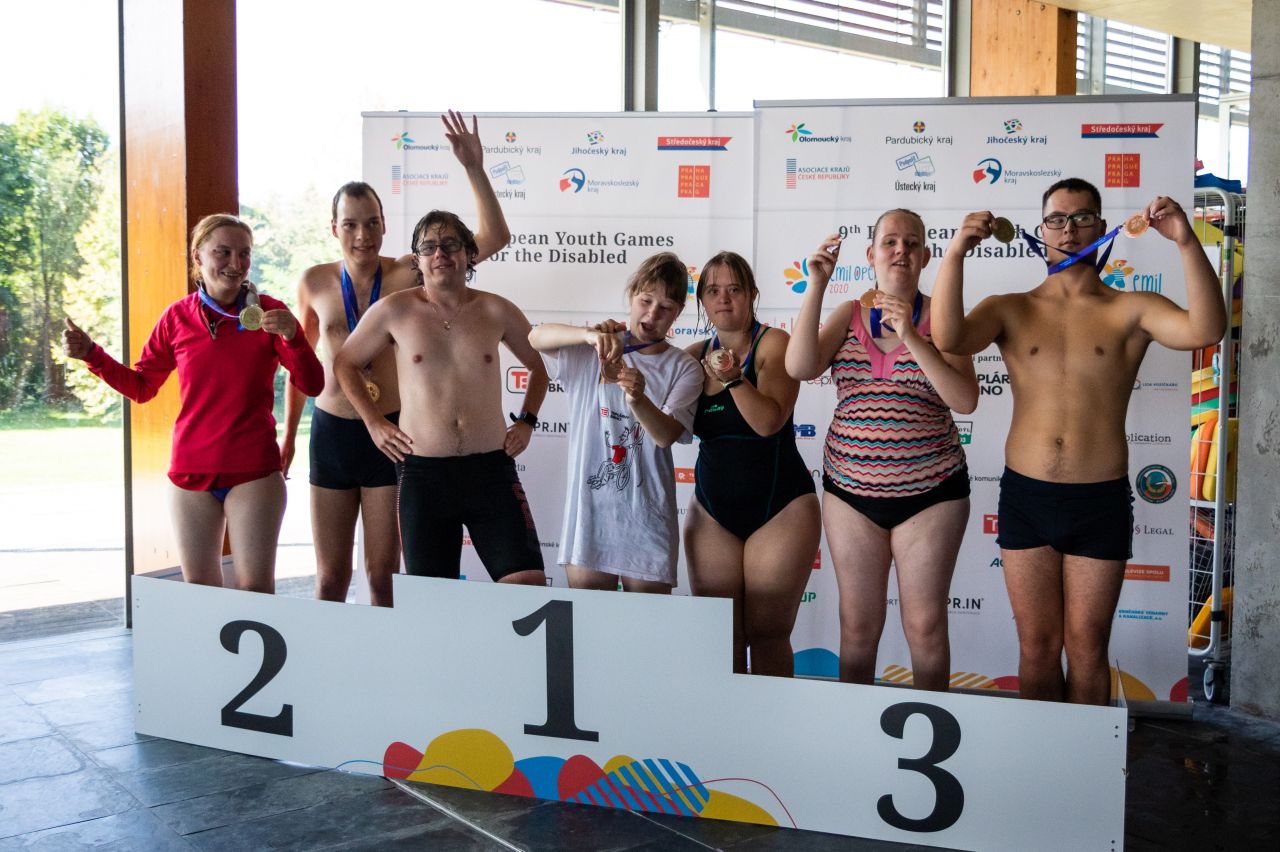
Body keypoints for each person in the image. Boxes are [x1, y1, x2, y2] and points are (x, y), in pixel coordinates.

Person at [931, 179, 1226, 705]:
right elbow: (949, 337)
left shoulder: (1131, 309)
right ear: (1040, 231)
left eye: (1082, 217)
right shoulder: (1010, 308)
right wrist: (955, 253)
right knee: (1037, 648)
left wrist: (1185, 240)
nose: (1069, 230)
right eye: (1057, 219)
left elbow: (1206, 329)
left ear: (1102, 226)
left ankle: (1083, 757)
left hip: (1099, 500)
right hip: (1026, 499)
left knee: (1088, 649)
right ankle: (1046, 753)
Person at [283, 112, 510, 607]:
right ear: (334, 228)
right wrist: (288, 438)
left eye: (371, 223)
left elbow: (493, 237)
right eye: (350, 224)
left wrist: (474, 168)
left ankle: (384, 655)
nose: (362, 235)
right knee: (330, 578)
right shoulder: (314, 282)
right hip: (333, 431)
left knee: (382, 573)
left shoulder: (410, 271)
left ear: (385, 225)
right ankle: (328, 654)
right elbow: (303, 367)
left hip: (392, 434)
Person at [61, 214, 324, 592]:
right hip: (190, 471)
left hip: (253, 469)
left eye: (244, 253)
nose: (235, 263)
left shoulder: (269, 313)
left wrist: (294, 336)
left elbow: (312, 384)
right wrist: (92, 354)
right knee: (199, 590)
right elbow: (142, 387)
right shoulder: (176, 318)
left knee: (254, 589)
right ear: (198, 256)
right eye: (223, 252)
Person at [786, 211, 979, 691]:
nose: (901, 250)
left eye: (912, 243)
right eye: (890, 242)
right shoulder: (848, 314)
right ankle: (855, 731)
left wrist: (911, 333)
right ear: (870, 255)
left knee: (926, 626)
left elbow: (964, 400)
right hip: (850, 495)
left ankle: (934, 721)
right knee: (857, 626)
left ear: (926, 257)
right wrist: (816, 285)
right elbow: (800, 366)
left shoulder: (943, 318)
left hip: (932, 495)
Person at [333, 210, 547, 586]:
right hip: (423, 476)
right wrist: (374, 422)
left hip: (491, 472)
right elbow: (345, 363)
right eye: (429, 247)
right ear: (417, 259)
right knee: (433, 599)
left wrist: (527, 422)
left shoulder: (496, 308)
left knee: (526, 584)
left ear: (469, 253)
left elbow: (539, 366)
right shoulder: (394, 310)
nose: (440, 254)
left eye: (450, 244)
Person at [528, 253, 703, 594]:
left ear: (678, 312)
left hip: (648, 520)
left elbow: (665, 436)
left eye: (665, 307)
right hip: (589, 519)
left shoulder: (684, 367)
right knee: (589, 625)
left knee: (646, 627)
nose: (652, 314)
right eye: (646, 301)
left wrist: (638, 399)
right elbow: (535, 338)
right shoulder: (593, 348)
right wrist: (587, 335)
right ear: (631, 295)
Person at [681, 252, 820, 676]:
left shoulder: (774, 344)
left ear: (752, 295)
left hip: (781, 508)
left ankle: (770, 719)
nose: (723, 298)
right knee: (719, 637)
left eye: (734, 289)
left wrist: (733, 379)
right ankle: (726, 720)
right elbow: (666, 429)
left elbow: (768, 422)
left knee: (768, 633)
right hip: (712, 513)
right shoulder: (691, 356)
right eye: (712, 290)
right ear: (702, 301)